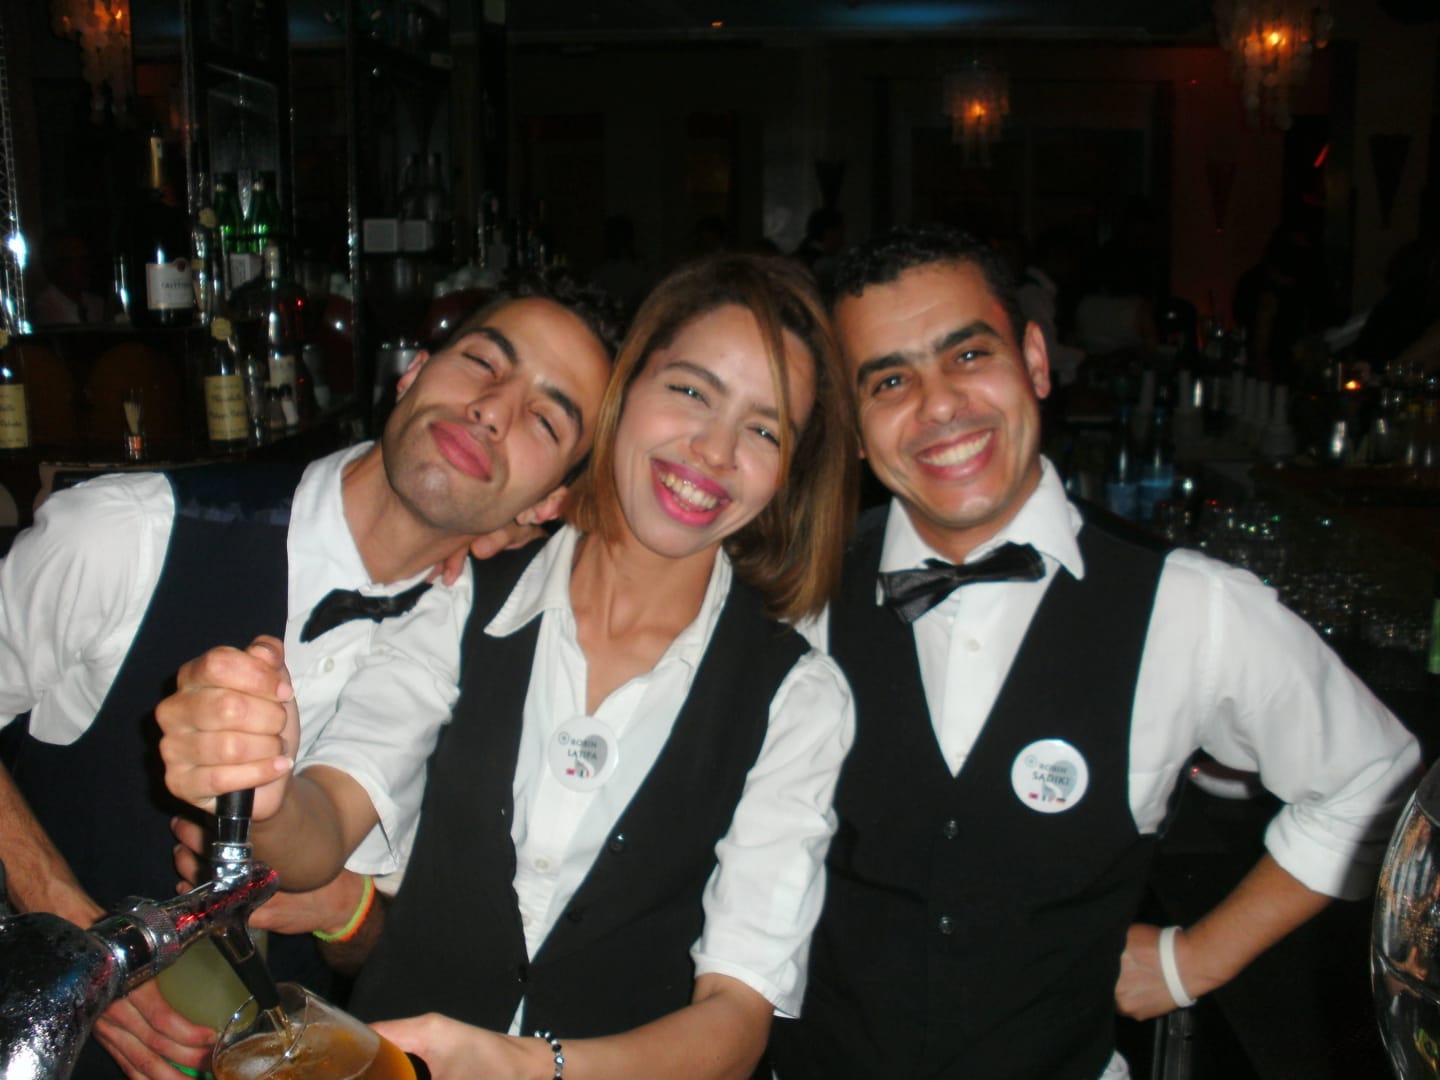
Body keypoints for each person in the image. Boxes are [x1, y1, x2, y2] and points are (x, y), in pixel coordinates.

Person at [159, 252, 858, 1080]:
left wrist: (532, 1068)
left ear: (789, 475)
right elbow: (327, 825)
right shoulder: (463, 593)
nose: (714, 450)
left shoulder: (797, 697)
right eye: (691, 391)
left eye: (765, 430)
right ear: (625, 389)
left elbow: (736, 1022)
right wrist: (259, 787)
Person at [766, 223, 1422, 1079]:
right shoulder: (801, 598)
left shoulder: (1188, 607)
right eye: (890, 380)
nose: (939, 405)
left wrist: (1195, 959)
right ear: (852, 428)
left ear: (1036, 361)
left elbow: (1376, 780)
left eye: (969, 355)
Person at [0, 280, 616, 1080]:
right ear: (412, 373)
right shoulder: (127, 533)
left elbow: (336, 866)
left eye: (545, 420)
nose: (494, 409)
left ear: (546, 504)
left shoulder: (466, 641)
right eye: (481, 363)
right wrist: (77, 940)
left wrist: (280, 821)